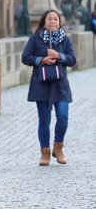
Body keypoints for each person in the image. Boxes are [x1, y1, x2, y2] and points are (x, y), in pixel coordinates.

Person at [21, 10, 76, 166]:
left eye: (56, 19)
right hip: (41, 84)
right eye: (50, 19)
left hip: (60, 85)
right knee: (44, 120)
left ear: (59, 22)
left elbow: (72, 60)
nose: (53, 21)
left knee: (63, 116)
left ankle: (58, 148)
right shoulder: (35, 38)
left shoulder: (65, 39)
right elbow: (25, 57)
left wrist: (59, 56)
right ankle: (45, 154)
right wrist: (41, 59)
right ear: (44, 22)